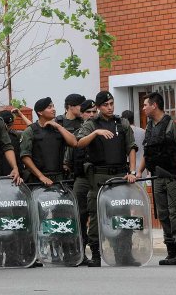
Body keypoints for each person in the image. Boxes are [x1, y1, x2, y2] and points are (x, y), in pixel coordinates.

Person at [76, 91, 137, 267]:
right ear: (98, 106)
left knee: (123, 213)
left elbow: (131, 147)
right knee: (96, 213)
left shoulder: (122, 123)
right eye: (105, 105)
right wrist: (96, 133)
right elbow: (78, 143)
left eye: (111, 103)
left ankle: (124, 252)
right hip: (99, 175)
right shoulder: (91, 124)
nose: (110, 107)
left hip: (120, 174)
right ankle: (95, 253)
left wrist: (132, 171)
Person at [138, 91, 176, 266]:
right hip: (158, 177)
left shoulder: (174, 124)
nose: (143, 107)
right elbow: (148, 153)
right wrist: (139, 172)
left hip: (175, 175)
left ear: (154, 105)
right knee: (163, 214)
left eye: (146, 104)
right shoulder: (150, 127)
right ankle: (172, 251)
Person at [20, 97, 77, 185]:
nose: (53, 109)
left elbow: (74, 143)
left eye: (53, 106)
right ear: (40, 112)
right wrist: (41, 176)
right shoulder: (30, 131)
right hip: (38, 179)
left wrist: (59, 127)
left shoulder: (58, 128)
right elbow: (25, 157)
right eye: (49, 107)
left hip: (59, 178)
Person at [70, 99, 97, 266]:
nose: (92, 115)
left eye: (94, 112)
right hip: (81, 178)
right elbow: (68, 157)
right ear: (82, 113)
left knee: (97, 214)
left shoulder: (103, 130)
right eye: (88, 112)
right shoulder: (77, 131)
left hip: (97, 177)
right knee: (80, 215)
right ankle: (79, 252)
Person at [121, 110, 147, 180]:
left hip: (128, 168)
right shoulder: (143, 131)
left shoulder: (122, 133)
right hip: (142, 167)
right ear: (133, 119)